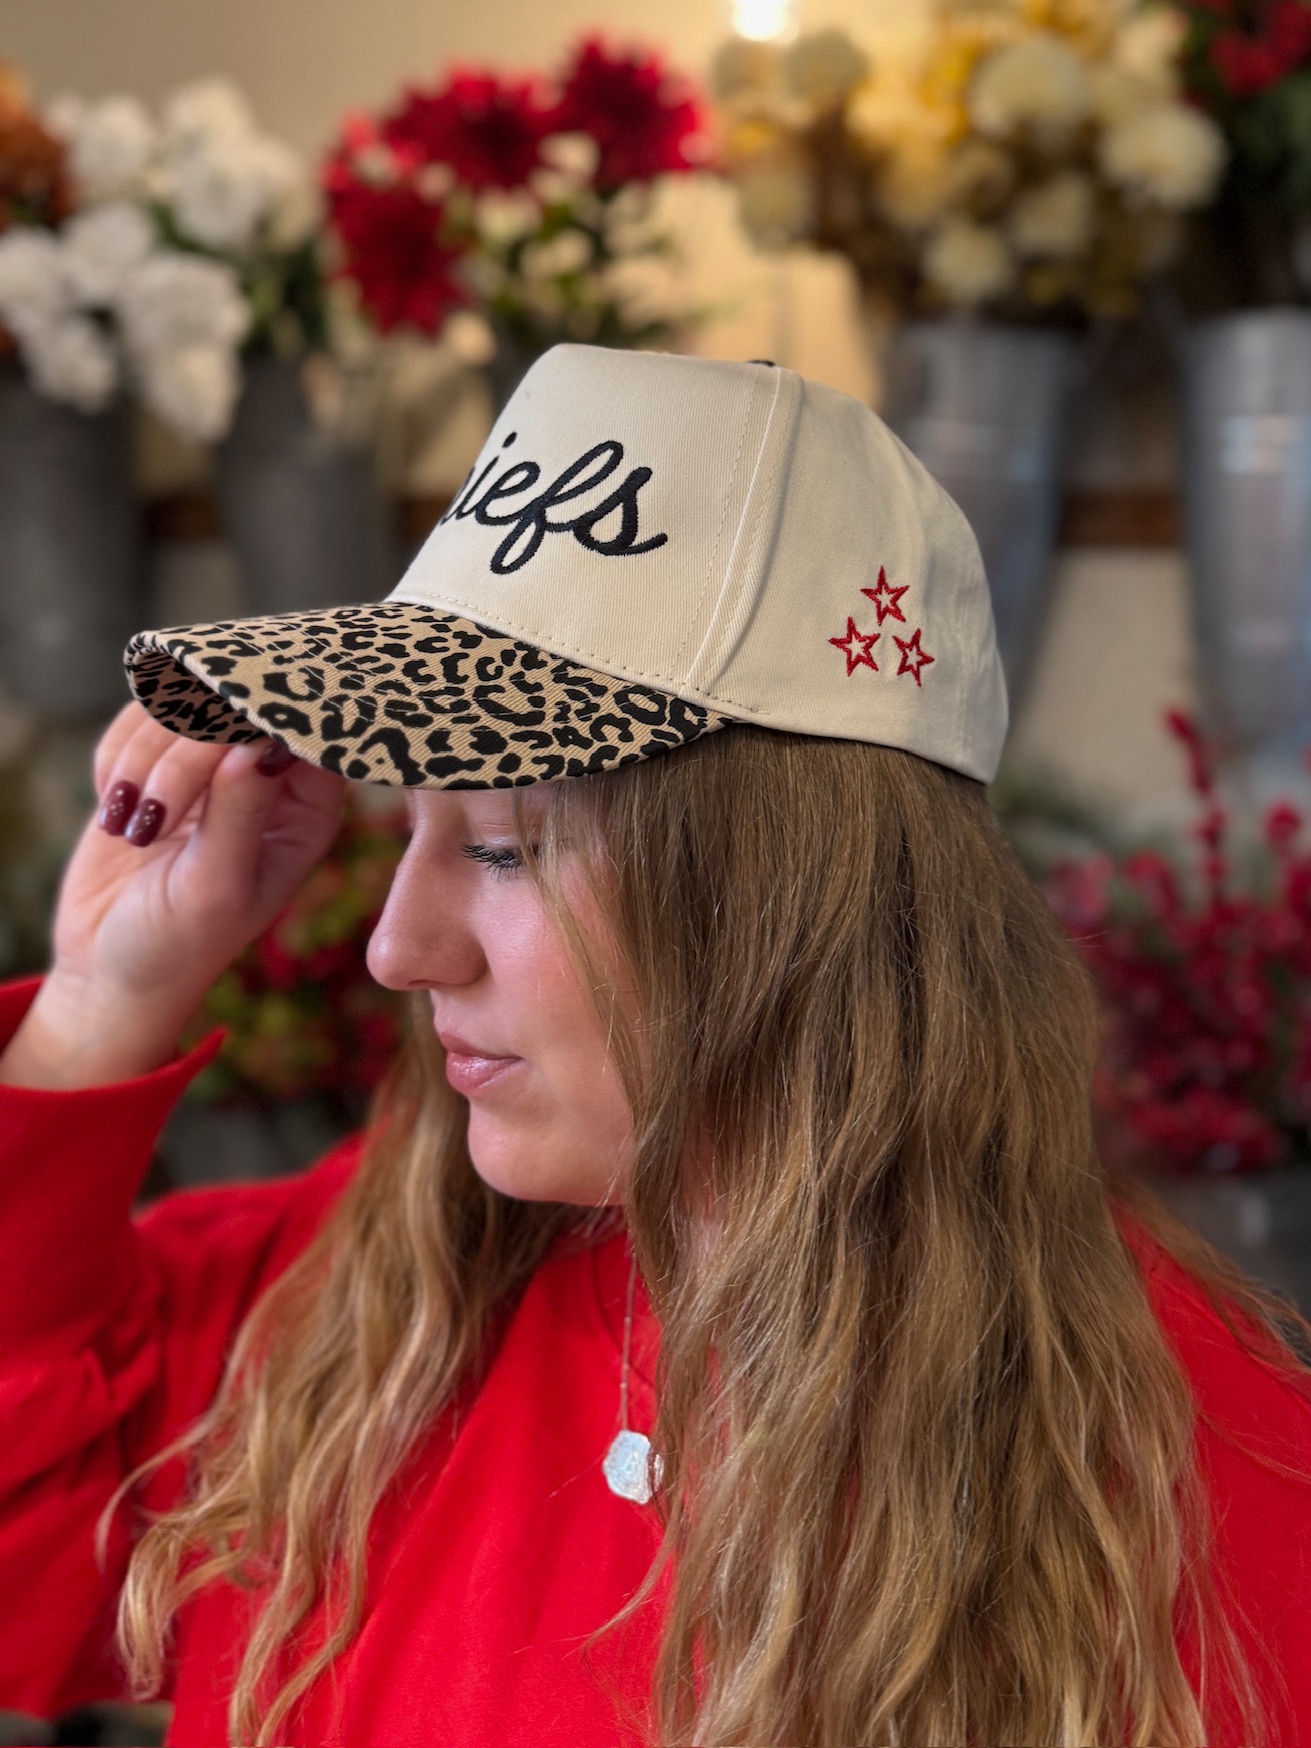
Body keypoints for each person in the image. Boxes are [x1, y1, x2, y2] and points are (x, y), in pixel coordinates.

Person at [1, 345, 1310, 1748]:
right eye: (415, 828)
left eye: (503, 848)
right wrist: (95, 1006)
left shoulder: (1192, 1482)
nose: (397, 947)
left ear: (789, 905)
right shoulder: (368, 1294)